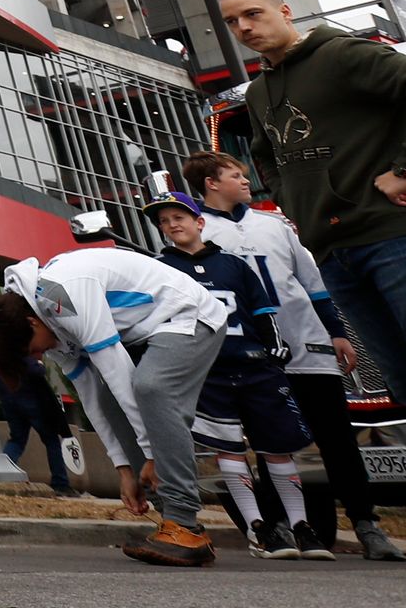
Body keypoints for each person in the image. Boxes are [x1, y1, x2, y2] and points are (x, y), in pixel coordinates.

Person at [183, 150, 405, 560]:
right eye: (235, 175)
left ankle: (366, 524)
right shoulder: (199, 231)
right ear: (212, 183)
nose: (246, 181)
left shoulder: (275, 225)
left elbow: (313, 281)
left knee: (338, 438)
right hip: (254, 354)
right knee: (271, 441)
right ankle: (285, 526)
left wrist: (336, 332)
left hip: (307, 344)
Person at [0, 247, 228, 567]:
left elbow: (118, 373)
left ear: (30, 323)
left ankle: (185, 525)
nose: (36, 357)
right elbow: (94, 399)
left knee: (151, 388)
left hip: (190, 315)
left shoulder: (64, 293)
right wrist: (124, 470)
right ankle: (172, 522)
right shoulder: (45, 321)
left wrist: (151, 454)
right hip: (148, 332)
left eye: (29, 350)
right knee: (113, 402)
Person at [222, 0, 406, 400]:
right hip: (331, 252)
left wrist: (403, 170)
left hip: (391, 236)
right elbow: (264, 154)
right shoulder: (258, 92)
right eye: (232, 22)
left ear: (285, 11)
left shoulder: (343, 54)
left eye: (253, 14)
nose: (244, 27)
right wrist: (293, 202)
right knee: (398, 378)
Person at [145, 189, 316, 561]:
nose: (172, 225)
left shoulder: (235, 265)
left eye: (179, 217)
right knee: (230, 449)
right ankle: (258, 528)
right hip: (208, 371)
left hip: (253, 363)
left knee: (276, 448)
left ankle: (302, 526)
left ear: (199, 221)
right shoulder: (162, 268)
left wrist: (275, 348)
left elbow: (263, 309)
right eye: (164, 221)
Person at [0, 356, 77, 497]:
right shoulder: (19, 350)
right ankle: (60, 483)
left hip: (10, 402)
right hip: (33, 403)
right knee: (51, 440)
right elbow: (35, 370)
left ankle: (1, 474)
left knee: (16, 440)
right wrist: (39, 364)